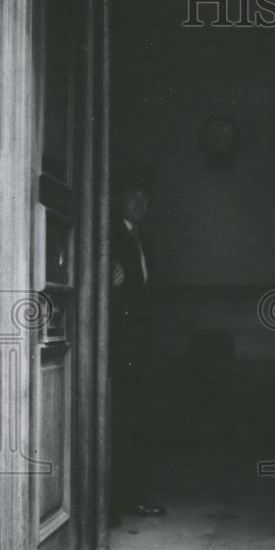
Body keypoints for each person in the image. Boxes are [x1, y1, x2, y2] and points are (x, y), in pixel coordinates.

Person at [110, 174, 165, 521]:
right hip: (120, 344)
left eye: (145, 201)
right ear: (120, 201)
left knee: (138, 420)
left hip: (140, 343)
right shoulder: (109, 234)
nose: (140, 206)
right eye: (133, 200)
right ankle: (118, 501)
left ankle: (134, 496)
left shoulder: (142, 238)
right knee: (122, 420)